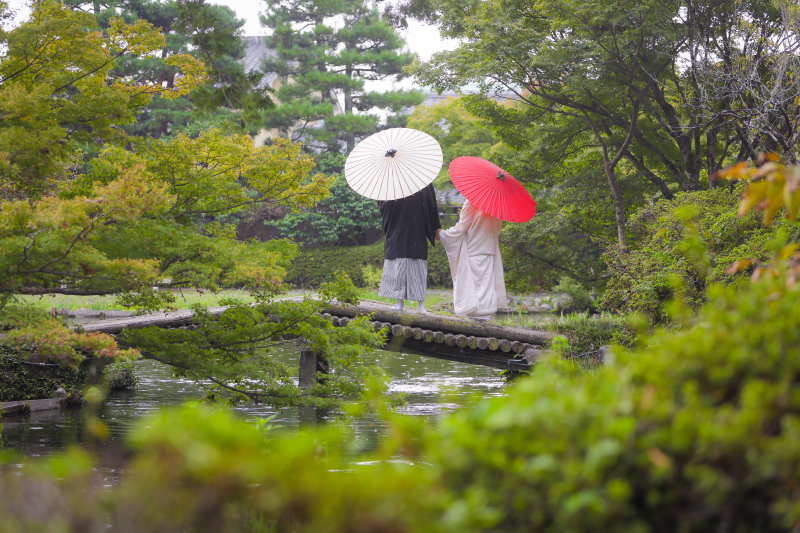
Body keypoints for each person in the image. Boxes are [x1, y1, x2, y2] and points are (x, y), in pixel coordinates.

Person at [436, 199, 507, 320]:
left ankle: (473, 314)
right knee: (486, 284)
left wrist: (443, 234)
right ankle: (486, 314)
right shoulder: (498, 204)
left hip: (474, 248)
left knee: (473, 284)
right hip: (489, 249)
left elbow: (461, 228)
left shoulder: (472, 202)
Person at [377, 183, 441, 314]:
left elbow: (384, 206)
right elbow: (431, 206)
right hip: (417, 229)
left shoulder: (391, 183)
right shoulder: (423, 182)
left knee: (398, 266)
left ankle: (399, 304)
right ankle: (421, 306)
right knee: (418, 267)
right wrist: (435, 227)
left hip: (397, 229)